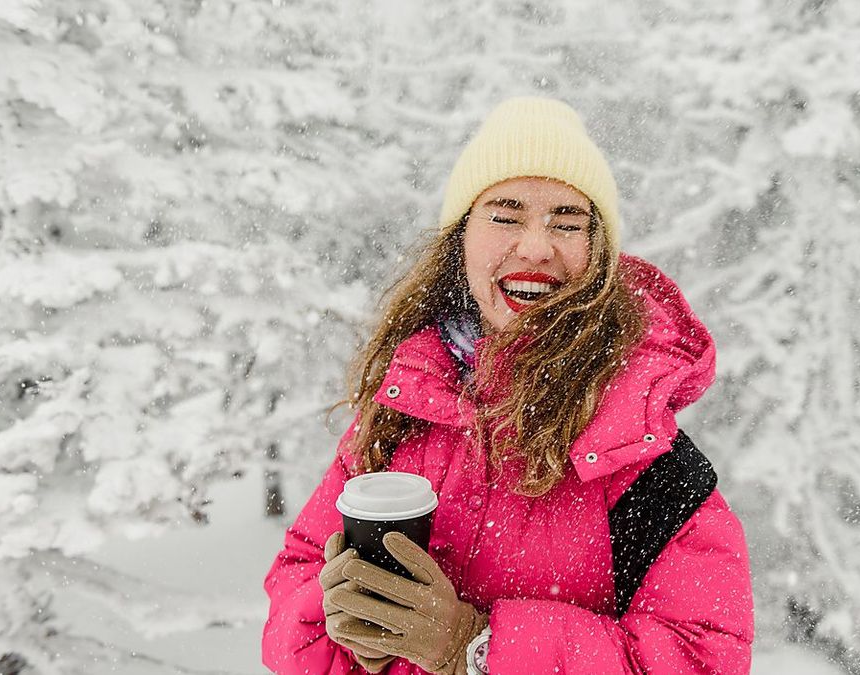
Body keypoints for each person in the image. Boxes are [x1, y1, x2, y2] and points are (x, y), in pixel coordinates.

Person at [262, 97, 754, 675]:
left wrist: (477, 648)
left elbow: (706, 657)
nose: (537, 247)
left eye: (567, 222)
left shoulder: (639, 451)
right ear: (462, 237)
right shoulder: (406, 409)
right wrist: (340, 623)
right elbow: (293, 588)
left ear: (597, 254)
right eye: (505, 214)